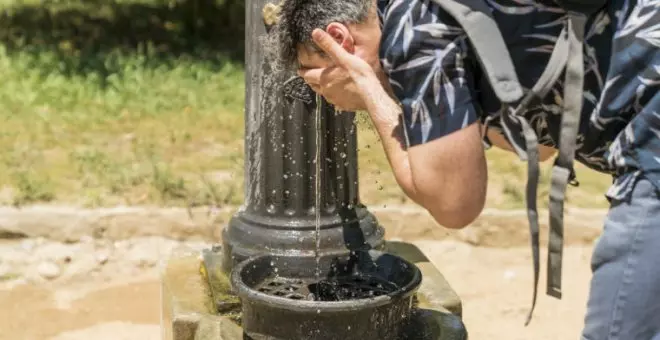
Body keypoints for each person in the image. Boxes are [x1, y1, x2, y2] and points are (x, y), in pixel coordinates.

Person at [274, 0, 660, 339]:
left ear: (339, 41)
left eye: (316, 76)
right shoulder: (444, 15)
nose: (325, 96)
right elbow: (538, 146)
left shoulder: (412, 28)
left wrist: (368, 87)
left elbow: (454, 204)